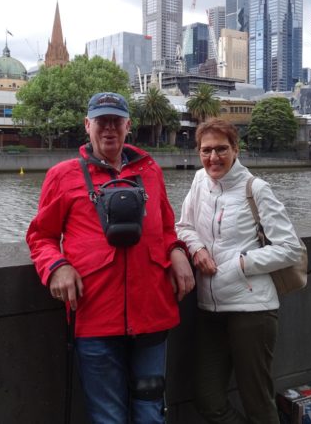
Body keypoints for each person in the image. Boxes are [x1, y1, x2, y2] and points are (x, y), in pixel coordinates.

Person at [26, 91, 195, 424]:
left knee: (151, 413)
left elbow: (166, 229)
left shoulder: (150, 170)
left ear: (127, 125)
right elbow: (41, 236)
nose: (109, 129)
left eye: (116, 122)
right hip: (94, 317)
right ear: (87, 125)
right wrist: (57, 267)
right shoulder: (62, 176)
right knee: (108, 418)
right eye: (101, 121)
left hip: (151, 312)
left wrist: (176, 250)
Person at [176, 118, 306, 424]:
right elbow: (183, 226)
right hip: (209, 309)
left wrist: (240, 264)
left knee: (257, 402)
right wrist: (197, 248)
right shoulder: (198, 182)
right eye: (206, 150)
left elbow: (289, 248)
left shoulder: (256, 189)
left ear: (236, 149)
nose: (213, 157)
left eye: (221, 149)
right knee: (208, 399)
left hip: (253, 311)